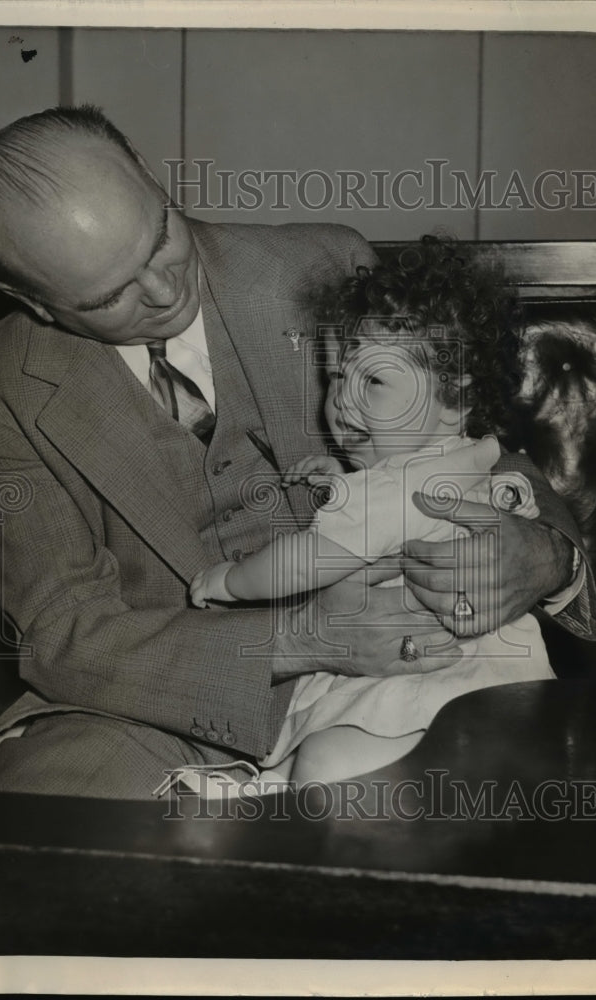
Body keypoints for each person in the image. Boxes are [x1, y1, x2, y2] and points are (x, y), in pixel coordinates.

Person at [0, 105, 596, 799]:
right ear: (36, 302)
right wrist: (296, 640)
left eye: (160, 235)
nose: (165, 290)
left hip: (411, 677)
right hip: (145, 706)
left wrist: (547, 558)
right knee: (50, 825)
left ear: (150, 175)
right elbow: (63, 629)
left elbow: (463, 445)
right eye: (112, 295)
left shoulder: (322, 263)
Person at [190, 244, 556, 783]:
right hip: (494, 685)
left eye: (374, 382)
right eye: (338, 376)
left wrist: (229, 582)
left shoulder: (396, 489)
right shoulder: (468, 457)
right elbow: (394, 522)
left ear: (455, 398)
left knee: (321, 766)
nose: (342, 402)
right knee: (315, 772)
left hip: (433, 689)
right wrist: (345, 486)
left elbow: (305, 561)